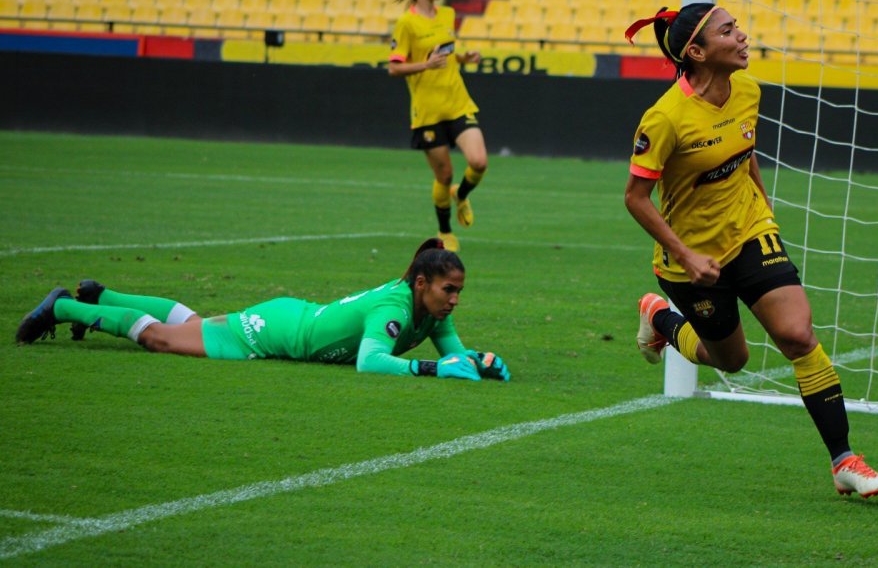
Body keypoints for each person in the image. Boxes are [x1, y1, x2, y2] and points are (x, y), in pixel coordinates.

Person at [623, 4, 878, 497]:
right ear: (697, 52)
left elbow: (745, 154)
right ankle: (660, 315)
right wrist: (684, 255)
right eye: (729, 31)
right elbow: (635, 198)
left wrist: (764, 210)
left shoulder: (748, 90)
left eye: (738, 26)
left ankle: (844, 460)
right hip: (692, 262)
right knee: (730, 360)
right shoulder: (664, 119)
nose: (743, 37)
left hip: (750, 233)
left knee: (797, 335)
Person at [13, 239, 510, 382]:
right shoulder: (394, 306)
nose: (455, 300)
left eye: (458, 291)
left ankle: (104, 297)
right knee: (161, 338)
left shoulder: (433, 311)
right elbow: (370, 361)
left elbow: (454, 356)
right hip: (272, 334)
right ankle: (66, 309)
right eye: (449, 290)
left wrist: (480, 363)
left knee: (194, 324)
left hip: (289, 316)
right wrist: (428, 368)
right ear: (423, 283)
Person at [387, 0, 487, 252]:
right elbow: (394, 67)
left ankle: (462, 194)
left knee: (479, 162)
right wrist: (425, 66)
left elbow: (449, 49)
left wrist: (464, 56)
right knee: (443, 175)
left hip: (457, 103)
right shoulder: (406, 23)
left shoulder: (447, 14)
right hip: (428, 111)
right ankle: (445, 231)